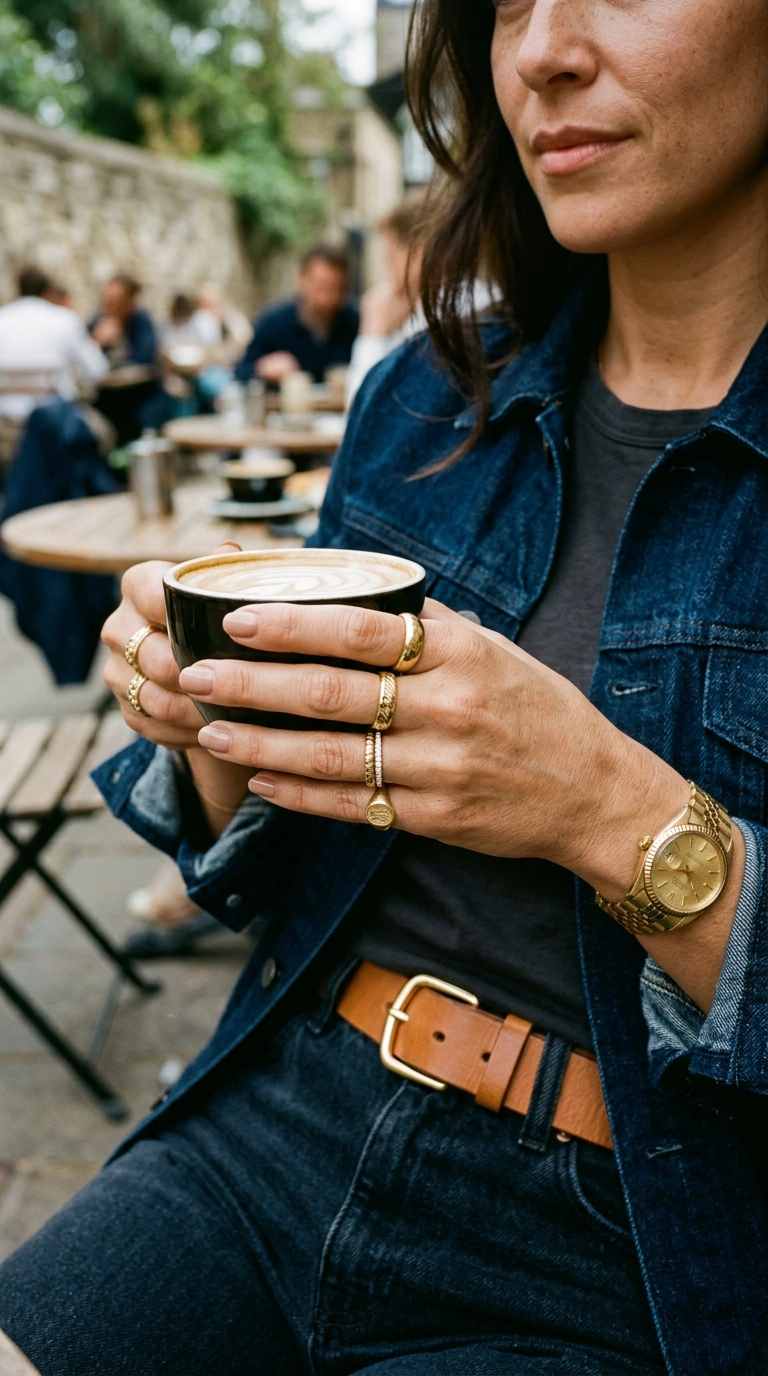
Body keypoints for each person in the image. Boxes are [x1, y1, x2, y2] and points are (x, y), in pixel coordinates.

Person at [2, 1, 768, 1373]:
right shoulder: (425, 393)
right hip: (284, 1114)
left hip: (626, 1248)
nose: (544, 52)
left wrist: (606, 811)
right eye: (510, 2)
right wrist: (206, 715)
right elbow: (282, 851)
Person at [234, 243, 359, 387]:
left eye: (338, 289)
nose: (328, 299)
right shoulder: (273, 323)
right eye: (321, 287)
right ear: (301, 279)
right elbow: (240, 373)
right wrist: (262, 368)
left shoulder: (357, 322)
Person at [0, 266, 107, 427]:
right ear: (47, 291)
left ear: (18, 290)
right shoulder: (64, 319)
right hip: (56, 423)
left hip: (6, 419)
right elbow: (98, 370)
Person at [345, 198, 428, 407]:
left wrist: (373, 331)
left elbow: (362, 410)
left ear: (418, 253)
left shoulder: (442, 320)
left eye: (390, 257)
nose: (387, 269)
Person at [90, 273, 161, 445]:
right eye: (107, 300)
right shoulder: (98, 321)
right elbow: (83, 360)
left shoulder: (141, 321)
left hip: (139, 395)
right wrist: (97, 341)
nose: (110, 305)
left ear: (130, 301)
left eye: (116, 300)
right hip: (108, 396)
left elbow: (145, 360)